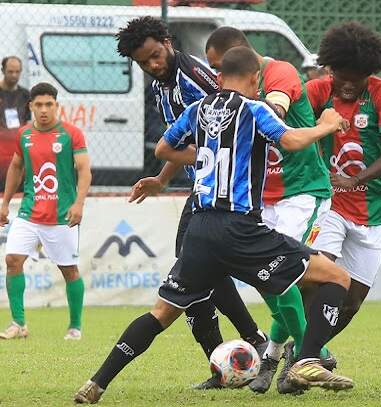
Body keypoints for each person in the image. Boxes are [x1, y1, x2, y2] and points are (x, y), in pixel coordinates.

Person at [74, 46, 353, 404]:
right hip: (241, 230)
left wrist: (176, 170)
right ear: (255, 80)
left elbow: (162, 148)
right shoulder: (255, 108)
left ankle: (96, 383)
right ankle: (308, 359)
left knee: (161, 314)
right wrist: (325, 126)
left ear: (219, 77)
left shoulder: (196, 109)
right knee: (336, 278)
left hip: (200, 230)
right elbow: (291, 141)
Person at [115, 16, 268, 390]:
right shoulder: (161, 87)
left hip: (224, 191)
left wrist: (195, 160)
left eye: (154, 55)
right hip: (201, 188)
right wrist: (161, 179)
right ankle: (227, 362)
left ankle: (253, 340)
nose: (152, 65)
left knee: (192, 269)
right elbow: (184, 141)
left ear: (167, 42)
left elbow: (228, 130)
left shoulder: (195, 78)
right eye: (143, 62)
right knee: (195, 271)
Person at [205, 26, 335, 394]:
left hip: (302, 192)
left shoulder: (279, 73)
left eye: (222, 68)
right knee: (268, 276)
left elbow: (274, 109)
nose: (219, 79)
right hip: (264, 198)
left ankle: (312, 354)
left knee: (282, 272)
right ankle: (281, 354)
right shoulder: (232, 93)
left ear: (242, 60)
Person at [304, 21, 381, 353]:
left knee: (351, 303)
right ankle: (292, 355)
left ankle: (304, 351)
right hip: (328, 205)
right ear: (330, 67)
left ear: (369, 71)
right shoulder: (316, 91)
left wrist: (355, 179)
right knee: (314, 279)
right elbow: (290, 137)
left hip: (373, 210)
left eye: (355, 78)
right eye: (340, 75)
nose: (347, 84)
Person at [0, 82, 91, 340]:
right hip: (29, 213)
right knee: (12, 260)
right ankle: (18, 324)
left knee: (69, 270)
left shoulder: (71, 134)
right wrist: (6, 204)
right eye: (38, 105)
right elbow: (16, 167)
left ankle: (75, 327)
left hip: (62, 216)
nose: (43, 110)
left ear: (56, 106)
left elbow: (84, 170)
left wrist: (79, 203)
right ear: (30, 107)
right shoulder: (24, 135)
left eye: (48, 105)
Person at [0, 56, 30, 129]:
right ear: (3, 71)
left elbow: (28, 121)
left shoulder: (26, 95)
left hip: (19, 137)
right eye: (10, 72)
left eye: (17, 72)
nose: (14, 75)